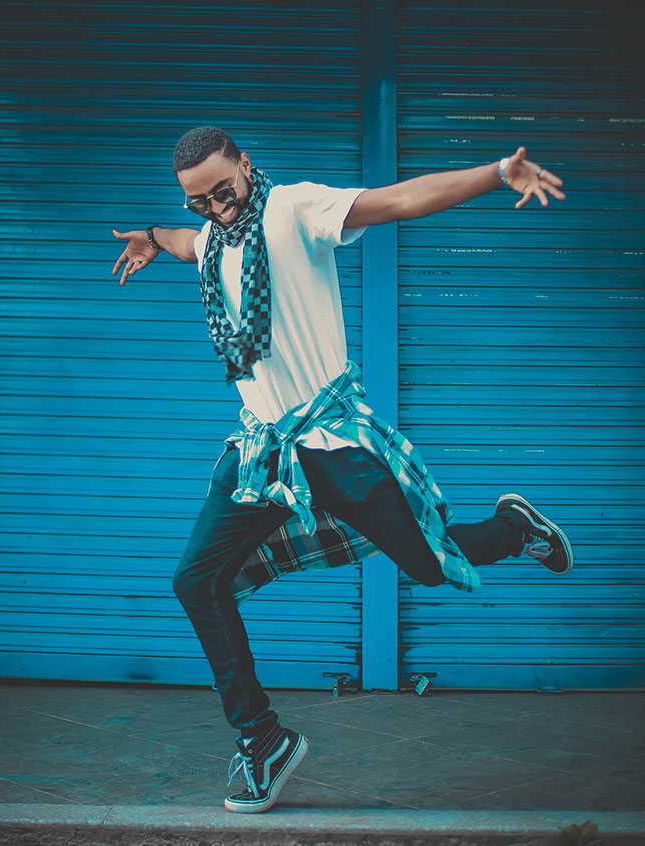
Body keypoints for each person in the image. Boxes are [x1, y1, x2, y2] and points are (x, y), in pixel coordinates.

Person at [111, 125, 571, 814]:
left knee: (428, 564)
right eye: (198, 201)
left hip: (329, 443)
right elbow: (184, 243)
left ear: (245, 163)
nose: (215, 209)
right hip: (262, 452)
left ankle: (513, 528)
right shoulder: (211, 240)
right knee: (196, 581)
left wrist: (496, 173)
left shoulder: (295, 209)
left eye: (222, 192)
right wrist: (154, 234)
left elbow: (399, 200)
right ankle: (262, 740)